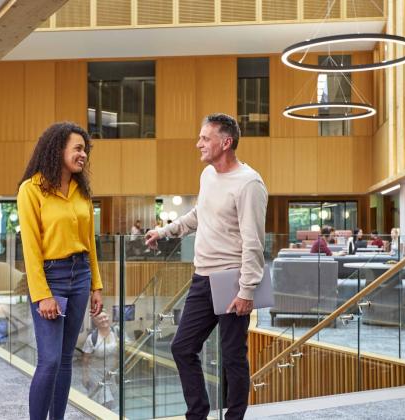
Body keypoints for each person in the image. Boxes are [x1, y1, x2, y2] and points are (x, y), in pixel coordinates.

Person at [145, 113, 267, 420]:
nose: (198, 143)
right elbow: (199, 215)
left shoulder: (249, 184)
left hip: (231, 278)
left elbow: (254, 242)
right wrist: (164, 231)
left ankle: (234, 418)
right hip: (202, 278)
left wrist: (247, 289)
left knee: (232, 357)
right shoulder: (208, 176)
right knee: (182, 347)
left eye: (205, 138)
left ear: (225, 142)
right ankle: (197, 414)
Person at [17, 121, 104, 420]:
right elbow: (30, 249)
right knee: (50, 360)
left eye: (85, 150)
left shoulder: (82, 191)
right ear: (58, 149)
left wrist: (96, 285)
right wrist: (42, 295)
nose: (83, 155)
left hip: (80, 276)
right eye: (78, 148)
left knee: (66, 359)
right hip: (50, 277)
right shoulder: (31, 189)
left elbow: (90, 242)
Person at [81, 312, 120, 409]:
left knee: (111, 399)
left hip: (112, 373)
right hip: (96, 374)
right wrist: (85, 375)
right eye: (100, 318)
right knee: (106, 400)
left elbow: (126, 347)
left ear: (109, 317)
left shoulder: (116, 333)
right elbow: (85, 358)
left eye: (105, 317)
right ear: (95, 322)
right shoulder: (92, 338)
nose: (104, 320)